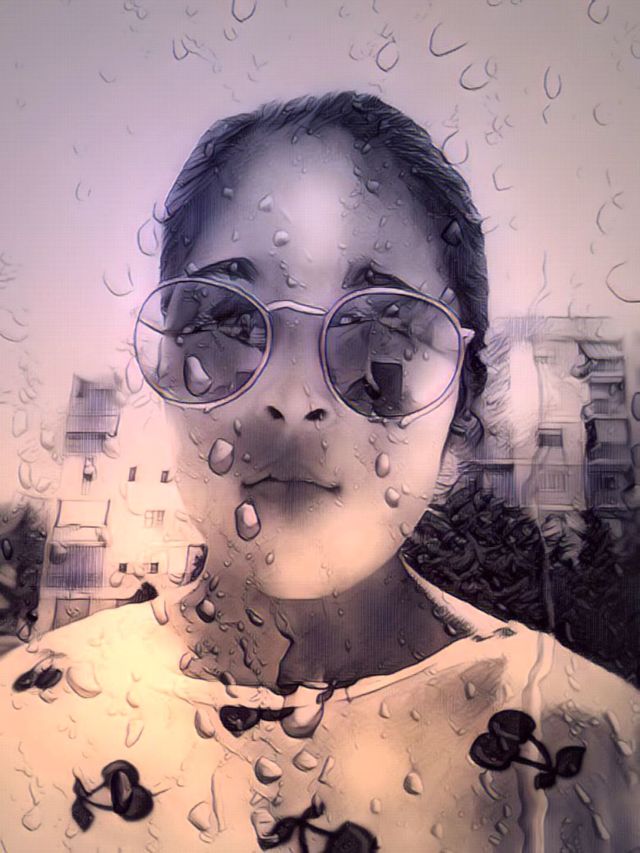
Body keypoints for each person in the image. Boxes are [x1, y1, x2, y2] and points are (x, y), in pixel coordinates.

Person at [0, 92, 638, 853]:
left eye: (384, 329)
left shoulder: (586, 745)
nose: (294, 397)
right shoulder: (23, 729)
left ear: (462, 394)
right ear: (168, 361)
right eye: (229, 320)